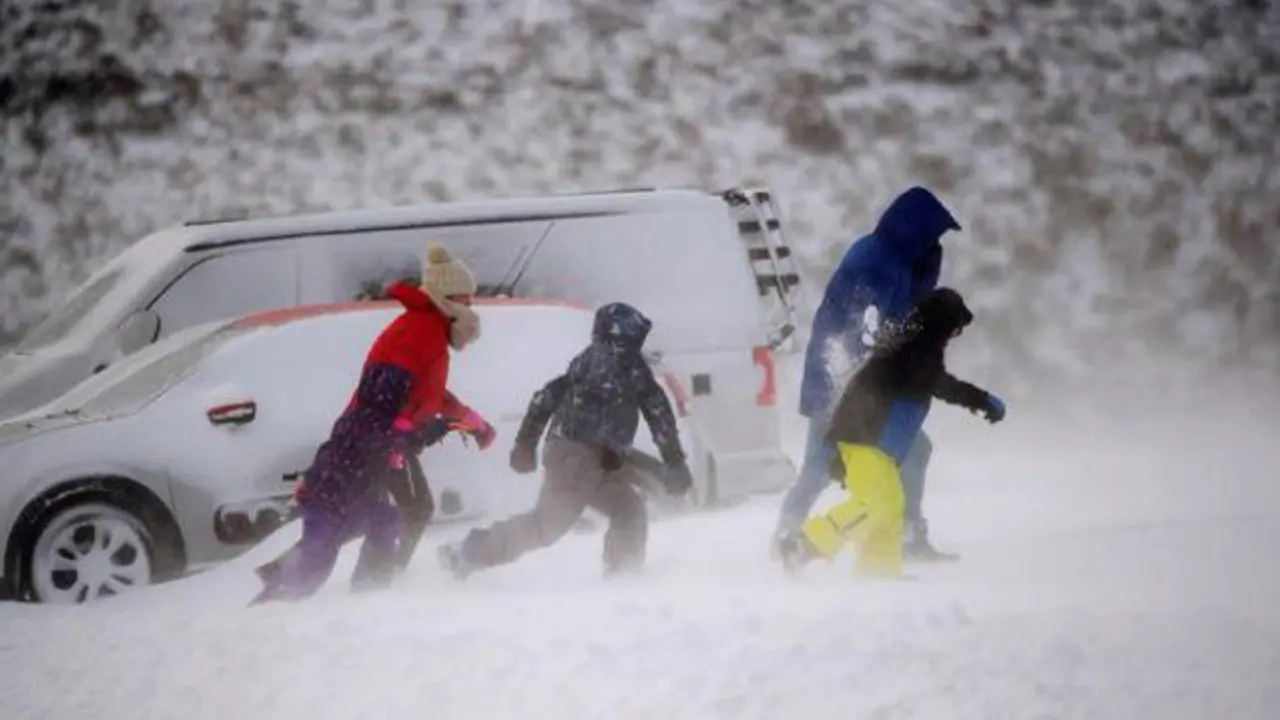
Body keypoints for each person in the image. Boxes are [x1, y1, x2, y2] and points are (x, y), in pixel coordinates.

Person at [251, 245, 495, 604]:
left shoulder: (428, 329)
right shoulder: (421, 329)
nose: (472, 310)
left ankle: (363, 596)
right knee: (356, 521)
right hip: (364, 441)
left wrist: (468, 419)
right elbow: (385, 388)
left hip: (371, 441)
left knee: (376, 519)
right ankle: (293, 597)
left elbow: (429, 393)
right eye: (467, 301)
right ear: (449, 301)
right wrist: (396, 437)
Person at [773, 186, 964, 563]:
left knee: (913, 450)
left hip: (878, 379)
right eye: (933, 233)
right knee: (821, 463)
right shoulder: (873, 260)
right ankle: (789, 536)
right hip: (842, 376)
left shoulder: (913, 262)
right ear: (914, 229)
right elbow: (865, 325)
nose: (937, 241)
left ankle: (907, 534)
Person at [437, 302, 693, 580]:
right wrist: (674, 460)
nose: (635, 345)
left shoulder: (587, 360)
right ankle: (469, 551)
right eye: (632, 337)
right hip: (578, 457)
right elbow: (658, 412)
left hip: (587, 457)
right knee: (546, 525)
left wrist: (527, 442)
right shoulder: (625, 365)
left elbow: (545, 397)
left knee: (628, 509)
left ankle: (623, 573)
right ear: (620, 336)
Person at [776, 287, 1005, 578]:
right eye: (954, 328)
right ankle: (803, 544)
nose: (953, 336)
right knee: (876, 504)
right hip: (866, 439)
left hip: (873, 443)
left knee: (891, 504)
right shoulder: (915, 350)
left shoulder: (909, 345)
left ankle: (878, 572)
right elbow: (941, 384)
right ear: (942, 323)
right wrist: (982, 401)